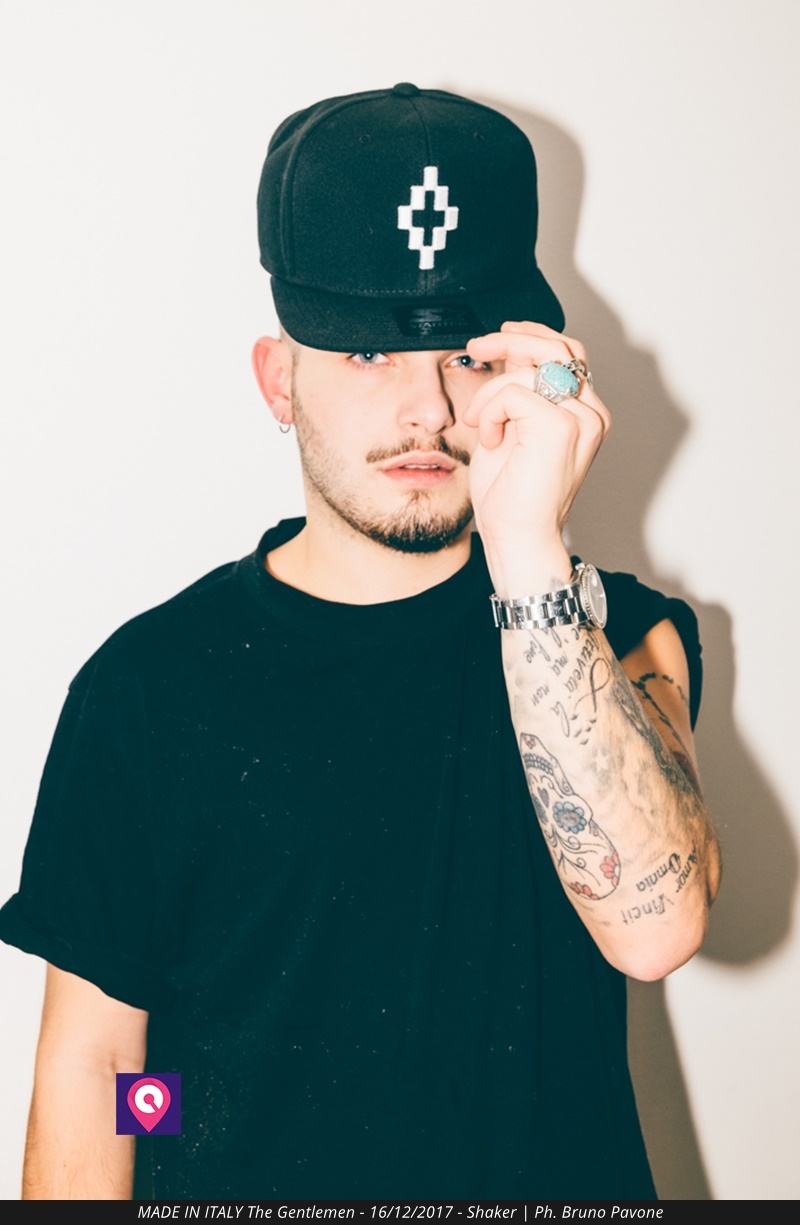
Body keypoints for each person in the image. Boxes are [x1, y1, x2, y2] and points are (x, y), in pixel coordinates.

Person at [0, 82, 721, 1201]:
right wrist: (182, 1122)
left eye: (465, 356)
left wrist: (529, 549)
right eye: (365, 355)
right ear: (278, 378)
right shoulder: (148, 688)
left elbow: (655, 929)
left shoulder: (614, 635)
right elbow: (102, 1072)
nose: (427, 410)